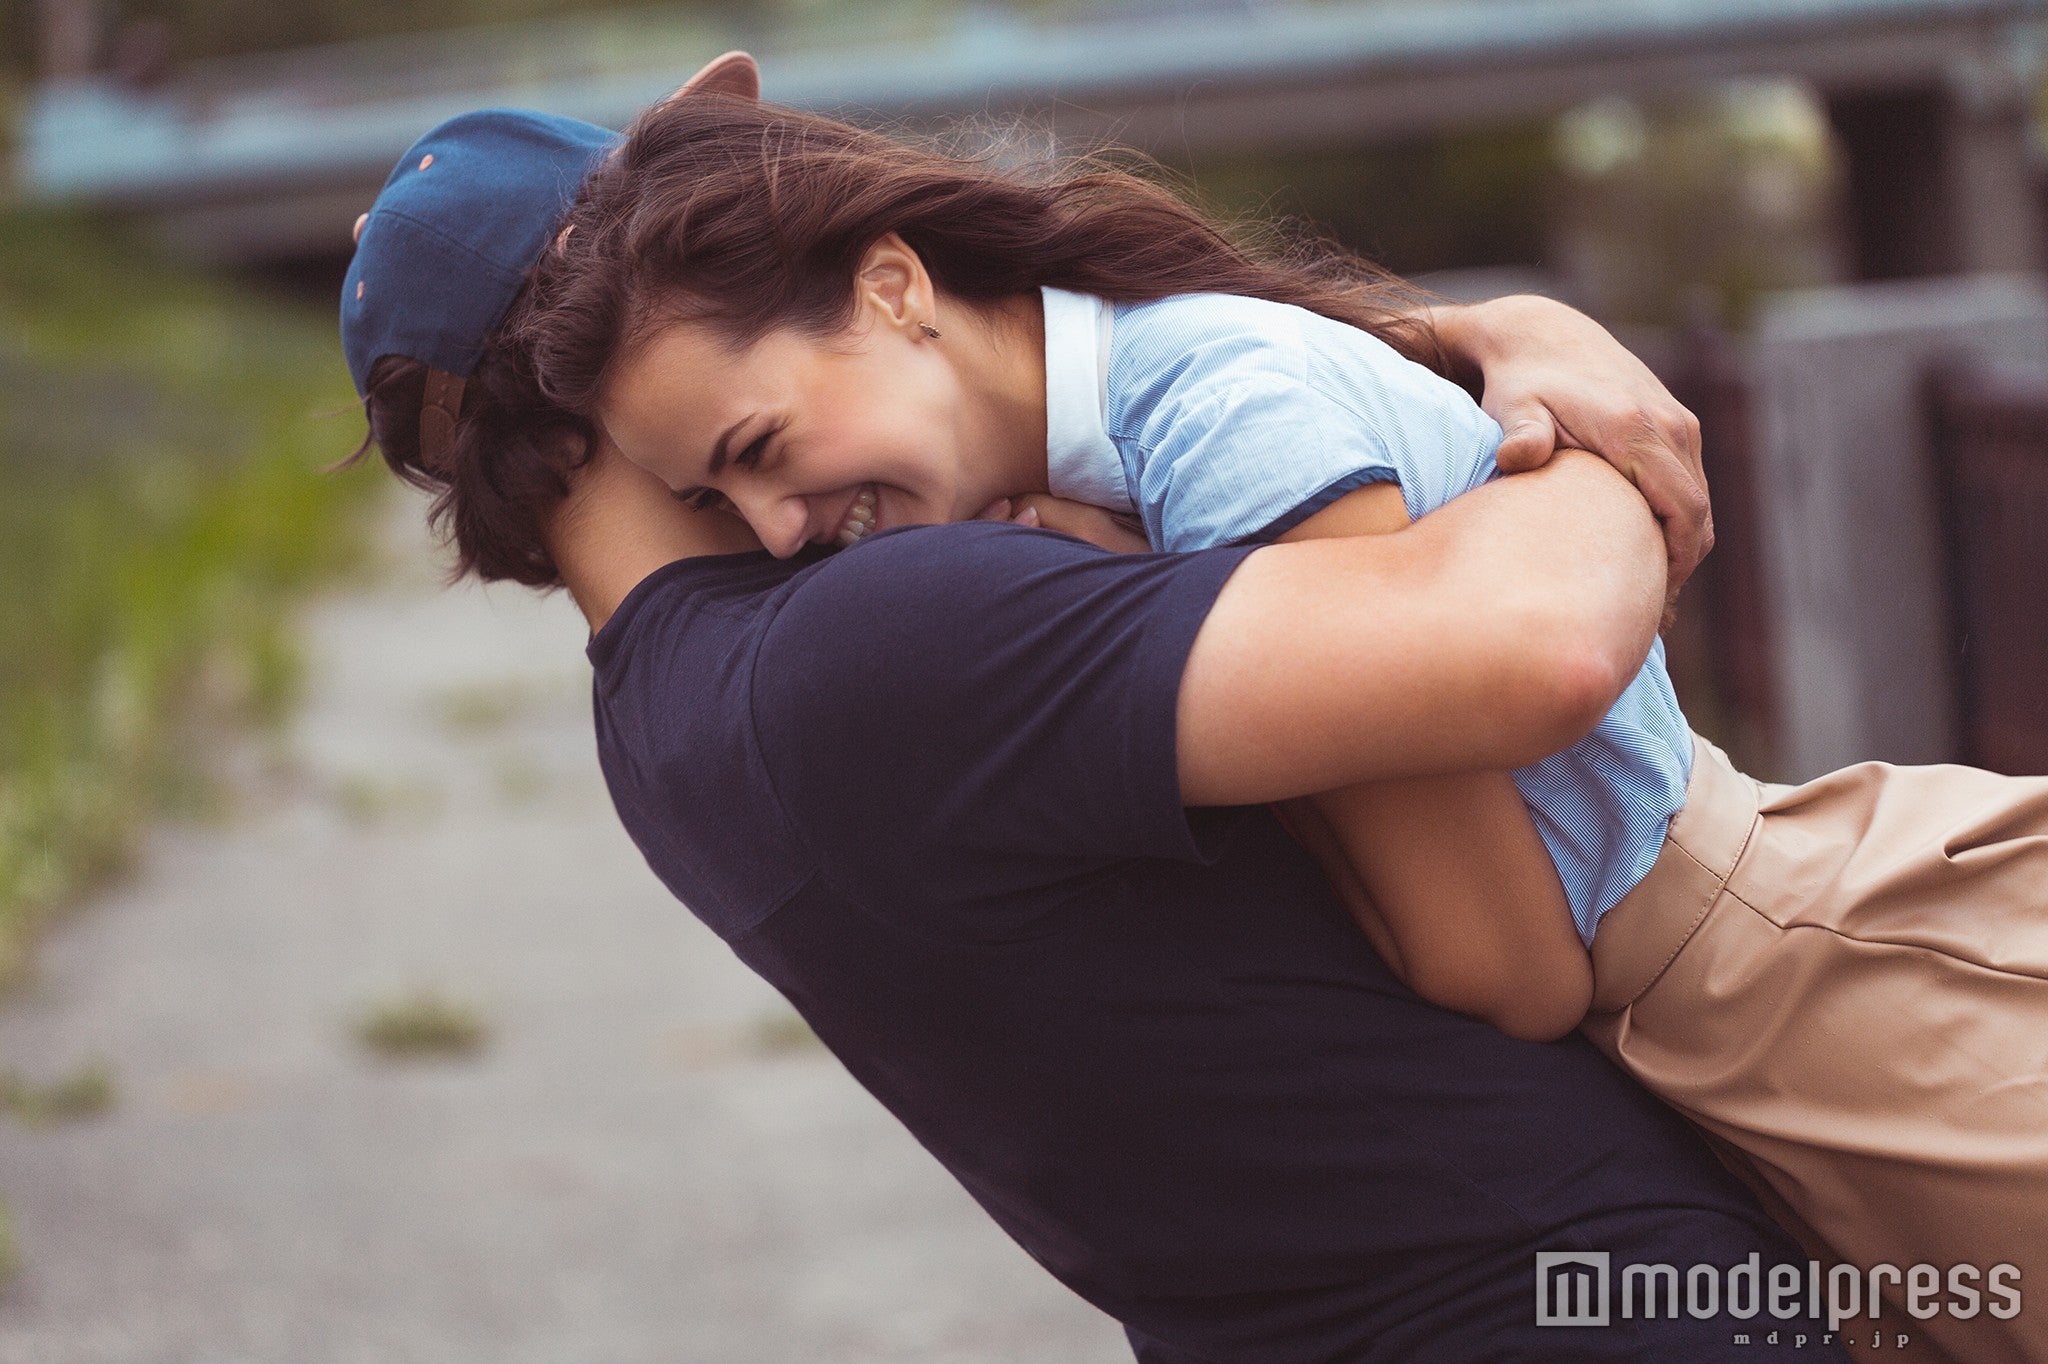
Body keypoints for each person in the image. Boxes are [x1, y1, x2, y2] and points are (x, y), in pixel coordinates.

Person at [517, 62, 2048, 1362]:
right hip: (1718, 1026)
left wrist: (1568, 409)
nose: (776, 531)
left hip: (1790, 993)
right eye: (719, 496)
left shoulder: (1217, 428)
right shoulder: (1098, 476)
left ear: (897, 285)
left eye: (765, 445)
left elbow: (1500, 963)